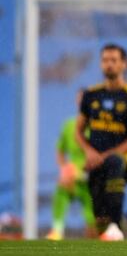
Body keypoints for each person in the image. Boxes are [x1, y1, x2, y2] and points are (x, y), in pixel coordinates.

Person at [75, 43, 127, 241]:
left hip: (125, 161)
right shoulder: (91, 96)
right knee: (100, 221)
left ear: (124, 64)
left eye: (114, 60)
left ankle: (116, 225)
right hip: (95, 161)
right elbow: (78, 131)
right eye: (105, 60)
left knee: (114, 162)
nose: (109, 64)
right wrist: (89, 152)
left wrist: (105, 155)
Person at [46, 90, 96, 240]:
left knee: (93, 227)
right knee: (61, 191)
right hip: (72, 178)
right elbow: (60, 151)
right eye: (80, 100)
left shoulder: (98, 127)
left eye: (85, 100)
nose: (82, 104)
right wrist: (64, 169)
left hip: (92, 179)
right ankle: (57, 230)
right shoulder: (69, 125)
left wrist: (85, 173)